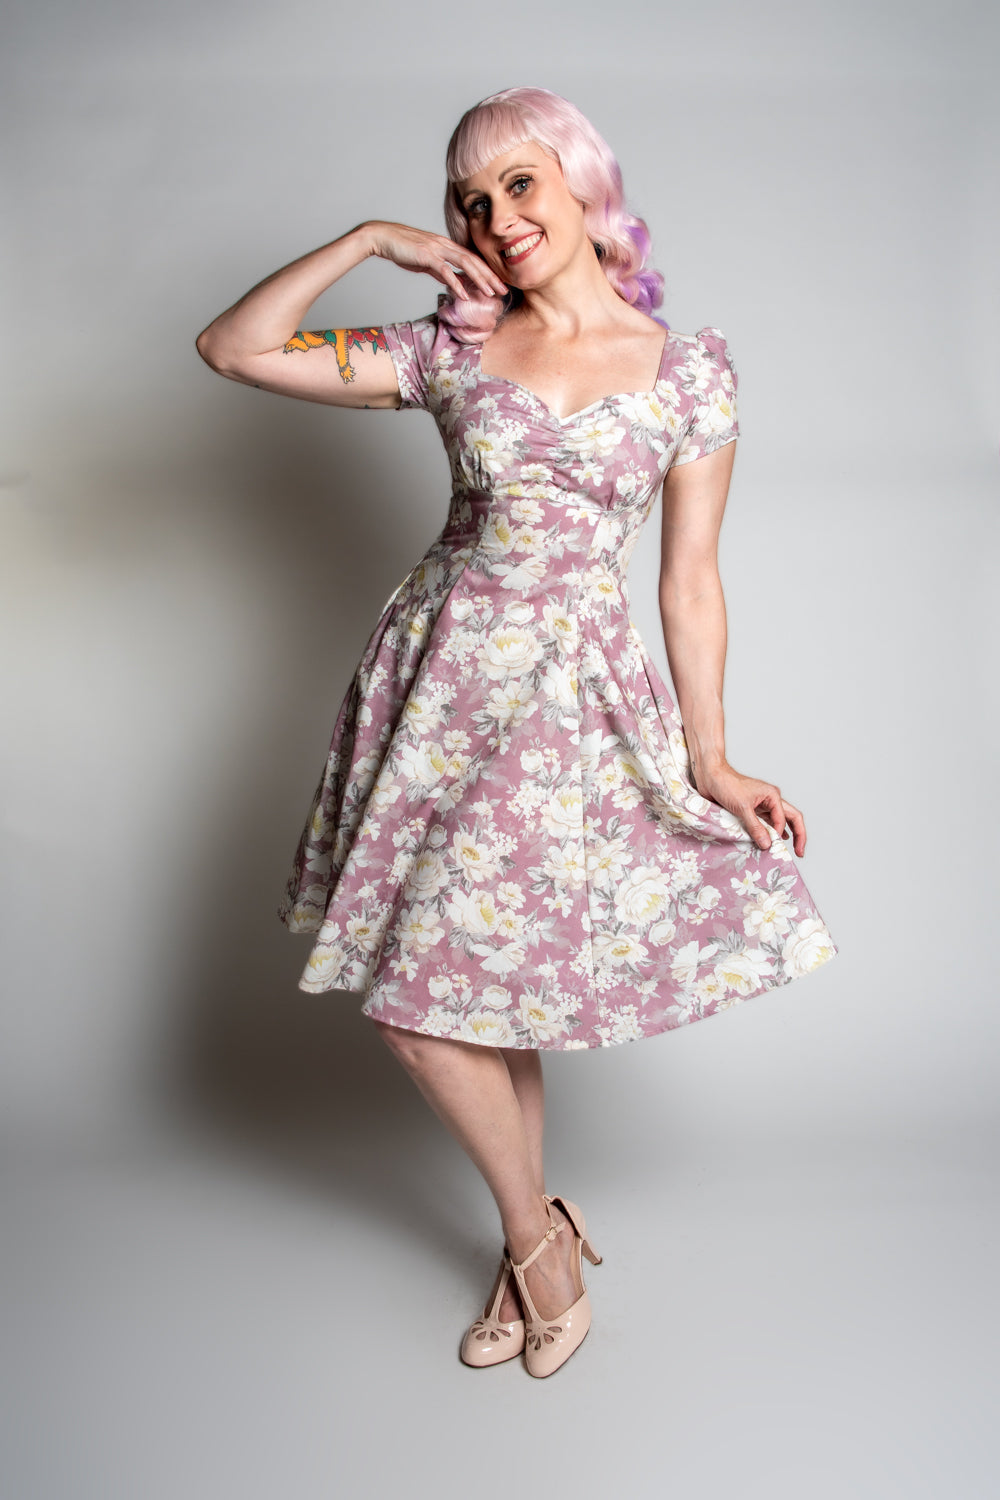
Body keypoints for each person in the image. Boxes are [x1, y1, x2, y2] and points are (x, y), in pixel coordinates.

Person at [195, 85, 839, 1378]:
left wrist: (712, 756)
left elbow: (690, 583)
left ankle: (534, 1247)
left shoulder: (686, 372)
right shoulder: (450, 348)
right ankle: (538, 1238)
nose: (495, 217)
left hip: (571, 709)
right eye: (468, 200)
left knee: (474, 992)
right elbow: (234, 347)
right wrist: (372, 239)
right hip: (438, 693)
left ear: (586, 189)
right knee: (447, 996)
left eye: (520, 183)